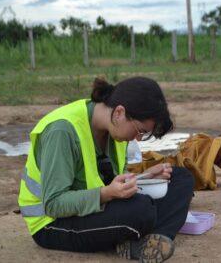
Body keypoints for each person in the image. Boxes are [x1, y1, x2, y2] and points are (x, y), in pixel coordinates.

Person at [18, 76, 194, 263]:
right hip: (53, 225)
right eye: (140, 130)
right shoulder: (62, 132)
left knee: (180, 178)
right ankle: (144, 237)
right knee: (141, 210)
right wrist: (105, 194)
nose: (138, 139)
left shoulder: (115, 129)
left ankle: (152, 240)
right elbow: (53, 204)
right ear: (119, 112)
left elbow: (114, 182)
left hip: (93, 209)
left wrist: (147, 176)